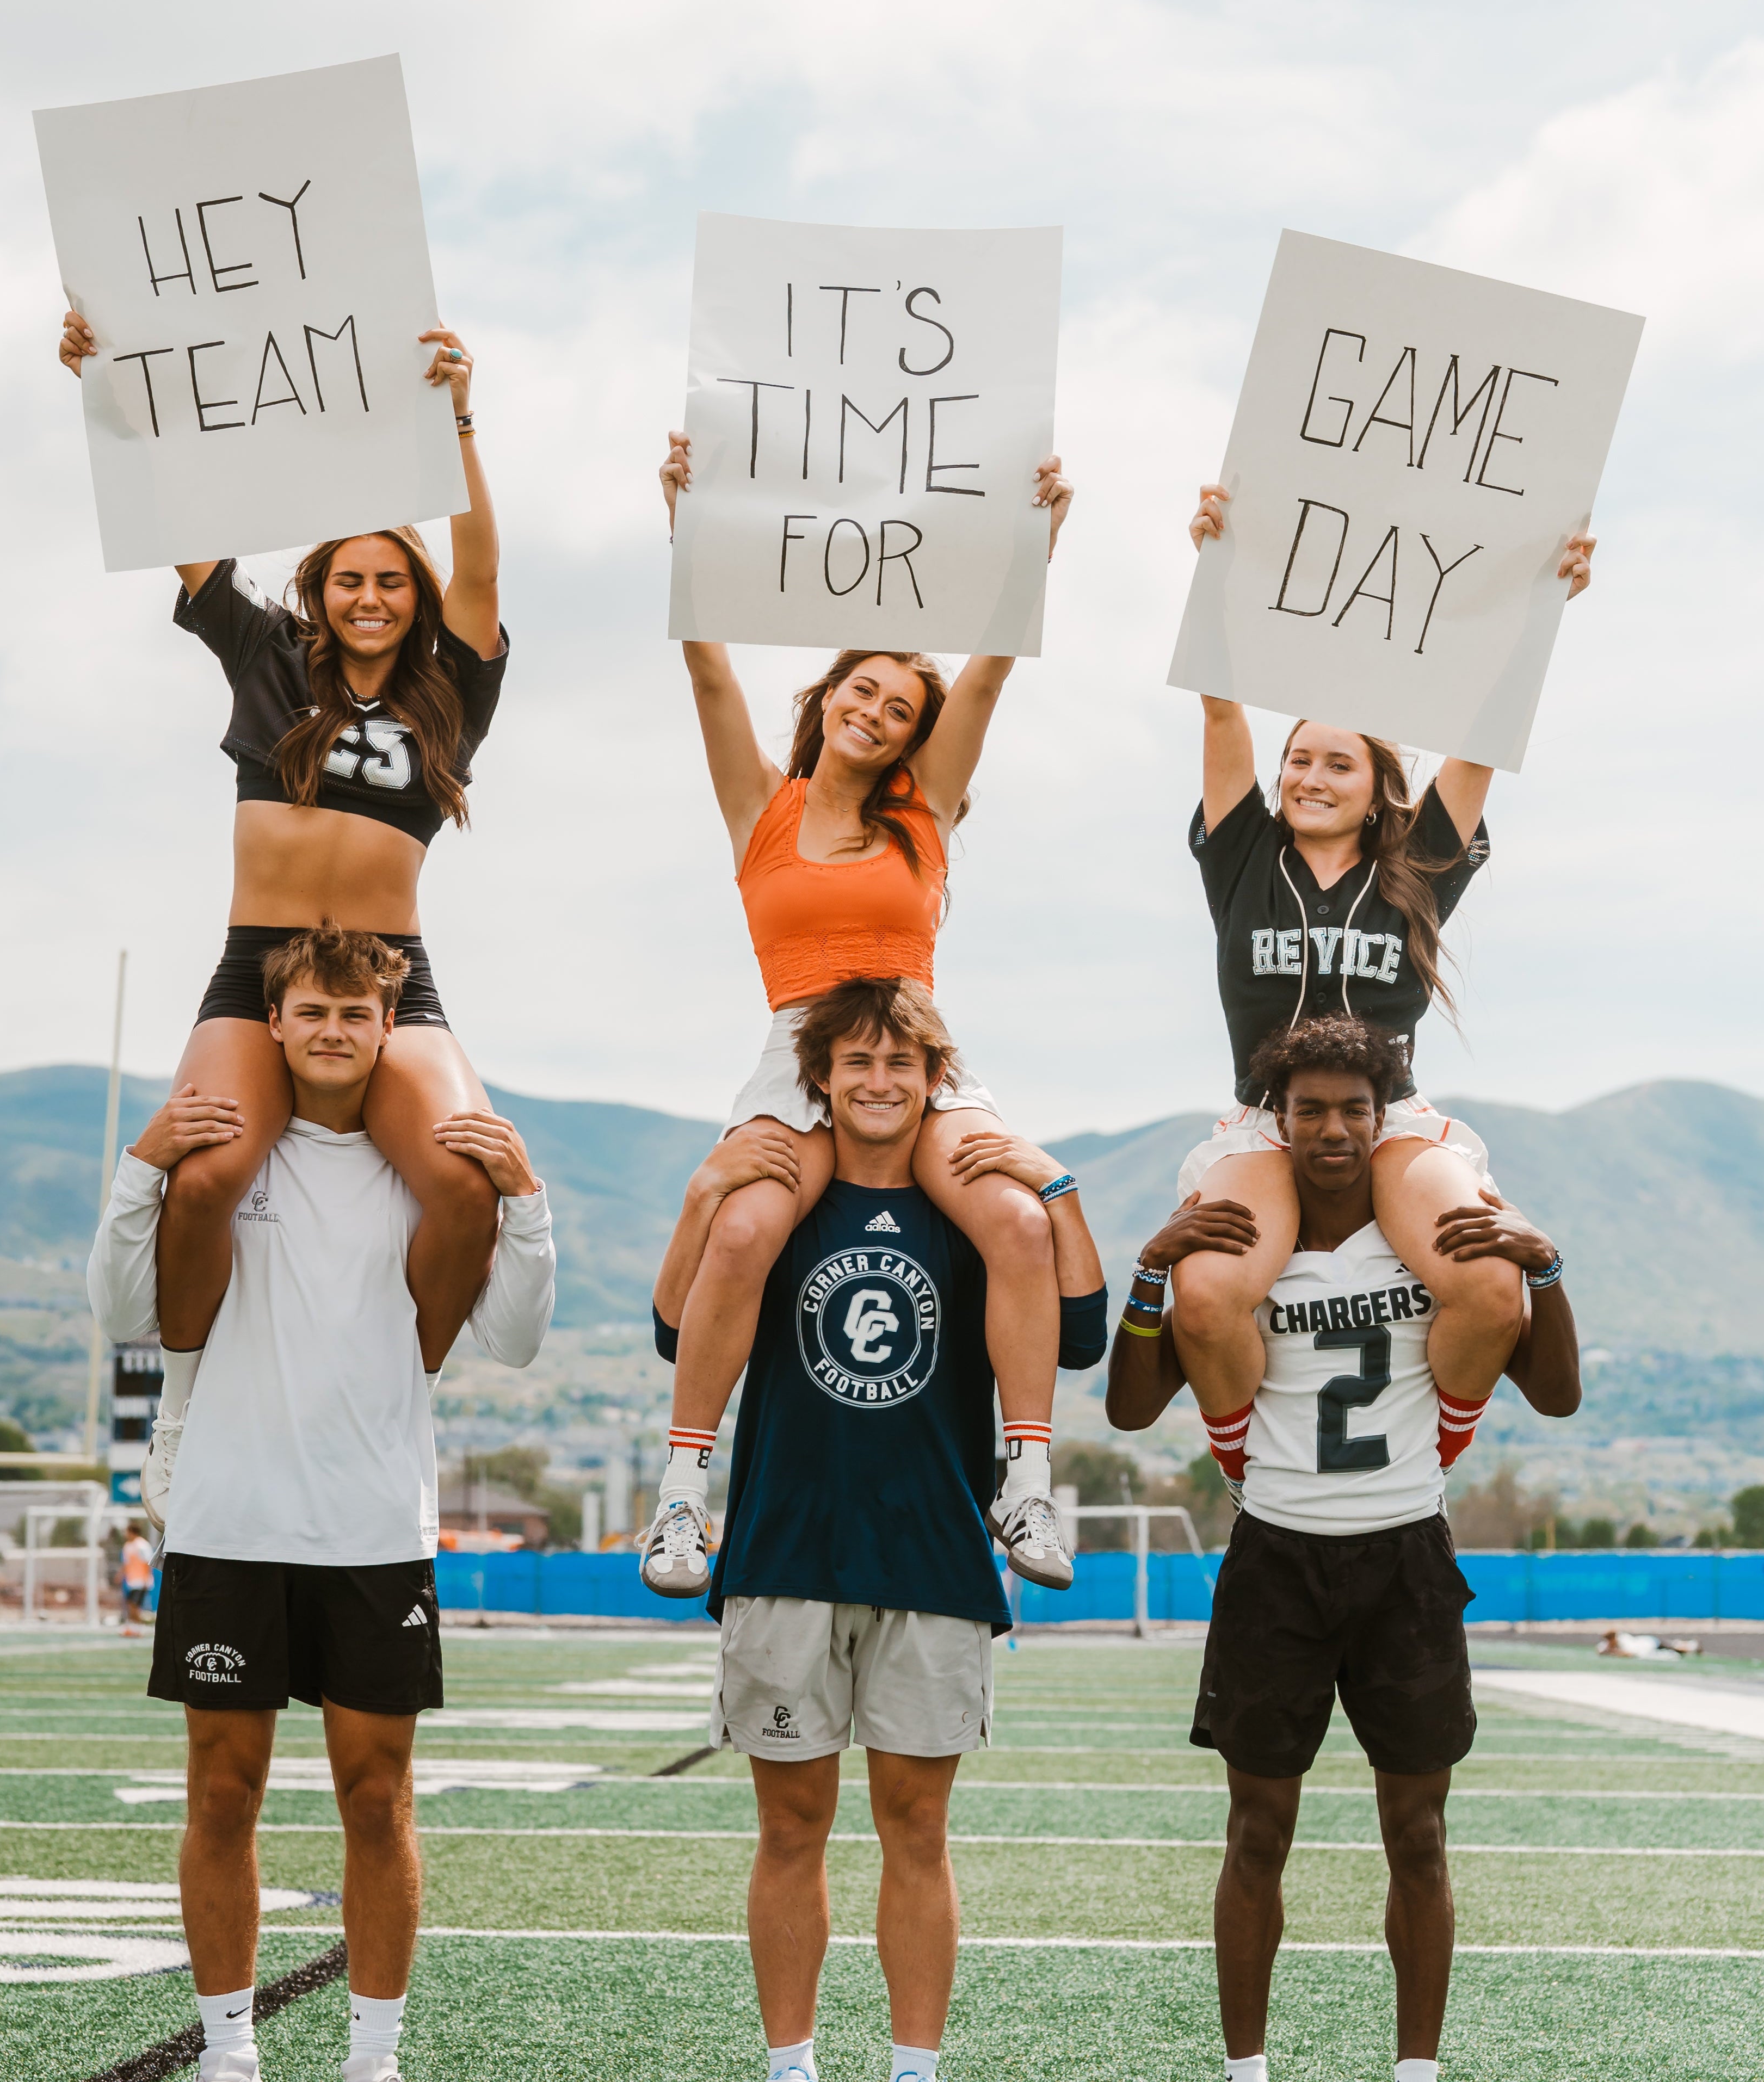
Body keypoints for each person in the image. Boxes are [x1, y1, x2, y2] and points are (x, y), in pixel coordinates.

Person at [88, 923, 556, 2082]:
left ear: (389, 1029)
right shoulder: (222, 1156)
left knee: (376, 1796)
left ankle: (374, 2057)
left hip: (370, 1529)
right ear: (277, 1022)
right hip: (229, 1521)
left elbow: (516, 1337)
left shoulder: (425, 1179)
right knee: (220, 1791)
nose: (334, 1031)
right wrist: (142, 1162)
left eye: (356, 1014)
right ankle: (230, 2048)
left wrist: (527, 1201)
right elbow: (116, 1311)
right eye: (312, 1012)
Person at [640, 434, 1081, 1595]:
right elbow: (705, 675)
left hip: (912, 1048)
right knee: (739, 1232)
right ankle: (686, 1493)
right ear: (826, 695)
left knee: (1019, 1220)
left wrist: (1035, 541)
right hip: (799, 1051)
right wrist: (685, 518)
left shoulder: (921, 811)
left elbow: (985, 676)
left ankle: (1025, 1478)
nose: (878, 711)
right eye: (862, 689)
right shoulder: (762, 812)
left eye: (899, 706)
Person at [57, 307, 510, 1434]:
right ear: (322, 585)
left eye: (392, 583)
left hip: (389, 977)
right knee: (204, 1174)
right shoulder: (267, 655)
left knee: (463, 1182)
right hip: (257, 964)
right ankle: (184, 1405)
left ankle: (404, 1389)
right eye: (350, 580)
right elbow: (172, 507)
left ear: (416, 597)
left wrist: (457, 419)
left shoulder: (454, 689)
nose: (370, 598)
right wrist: (104, 382)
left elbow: (483, 567)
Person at [1103, 1015, 1580, 2082]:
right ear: (1278, 1118)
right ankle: (1246, 2067)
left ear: (1382, 1119)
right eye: (1309, 1108)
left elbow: (1554, 1392)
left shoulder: (1433, 1236)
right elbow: (1131, 1410)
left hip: (1403, 1546)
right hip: (1275, 1549)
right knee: (1255, 1828)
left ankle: (1415, 2067)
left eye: (1352, 1109)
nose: (1331, 1129)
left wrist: (1541, 1269)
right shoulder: (1242, 1240)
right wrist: (1149, 1276)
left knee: (1416, 1831)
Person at [653, 976, 1105, 2082]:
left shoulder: (969, 1211)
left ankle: (914, 2067)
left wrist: (1055, 1185)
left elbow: (1082, 1330)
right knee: (790, 1824)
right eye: (854, 1062)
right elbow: (676, 1329)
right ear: (818, 1078)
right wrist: (705, 1186)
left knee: (917, 1827)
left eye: (899, 1062)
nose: (876, 1080)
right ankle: (790, 2064)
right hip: (783, 1545)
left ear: (932, 1078)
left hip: (933, 1554)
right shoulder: (780, 1203)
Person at [1162, 480, 1597, 1454]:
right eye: (1297, 761)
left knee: (1489, 1286)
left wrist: (1541, 609)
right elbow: (1219, 708)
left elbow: (1481, 748)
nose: (1309, 777)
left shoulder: (1416, 871)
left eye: (1336, 764)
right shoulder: (1244, 858)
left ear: (1375, 790)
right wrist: (1215, 568)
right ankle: (1243, 1469)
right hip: (1267, 1124)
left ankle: (1432, 1461)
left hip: (1388, 1120)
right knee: (1205, 1294)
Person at [119, 1523, 156, 1638]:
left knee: (134, 1605)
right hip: (131, 1582)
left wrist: (146, 1579)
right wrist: (120, 1575)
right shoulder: (127, 1546)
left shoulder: (142, 1545)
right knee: (131, 1605)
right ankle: (133, 1628)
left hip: (141, 1582)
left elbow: (147, 1563)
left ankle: (139, 1629)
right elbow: (126, 1564)